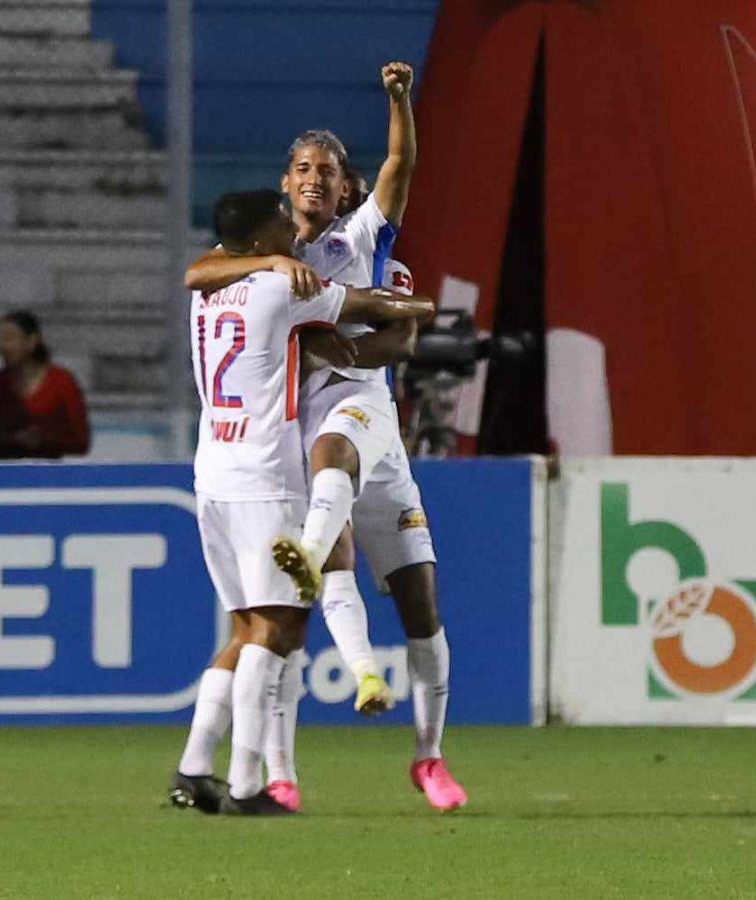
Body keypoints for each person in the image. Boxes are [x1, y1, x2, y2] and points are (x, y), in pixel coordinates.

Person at [185, 61, 468, 813]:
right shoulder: (259, 261)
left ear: (348, 189)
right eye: (304, 168)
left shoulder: (364, 239)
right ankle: (277, 773)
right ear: (285, 183)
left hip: (374, 426)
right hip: (305, 440)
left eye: (330, 171)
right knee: (287, 621)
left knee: (419, 604)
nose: (315, 180)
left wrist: (399, 100)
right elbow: (199, 272)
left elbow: (400, 338)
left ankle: (428, 756)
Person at [168, 189, 434, 816]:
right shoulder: (282, 288)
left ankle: (192, 768)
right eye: (280, 223)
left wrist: (258, 261)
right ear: (262, 239)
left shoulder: (210, 289)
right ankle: (244, 787)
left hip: (212, 472)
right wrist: (420, 305)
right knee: (279, 628)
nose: (294, 229)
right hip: (266, 473)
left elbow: (200, 269)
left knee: (243, 628)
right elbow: (371, 302)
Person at [0, 311, 90, 459]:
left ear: (32, 341)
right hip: (4, 475)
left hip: (48, 476)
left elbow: (81, 441)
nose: (2, 347)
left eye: (8, 339)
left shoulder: (62, 381)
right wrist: (11, 440)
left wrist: (44, 439)